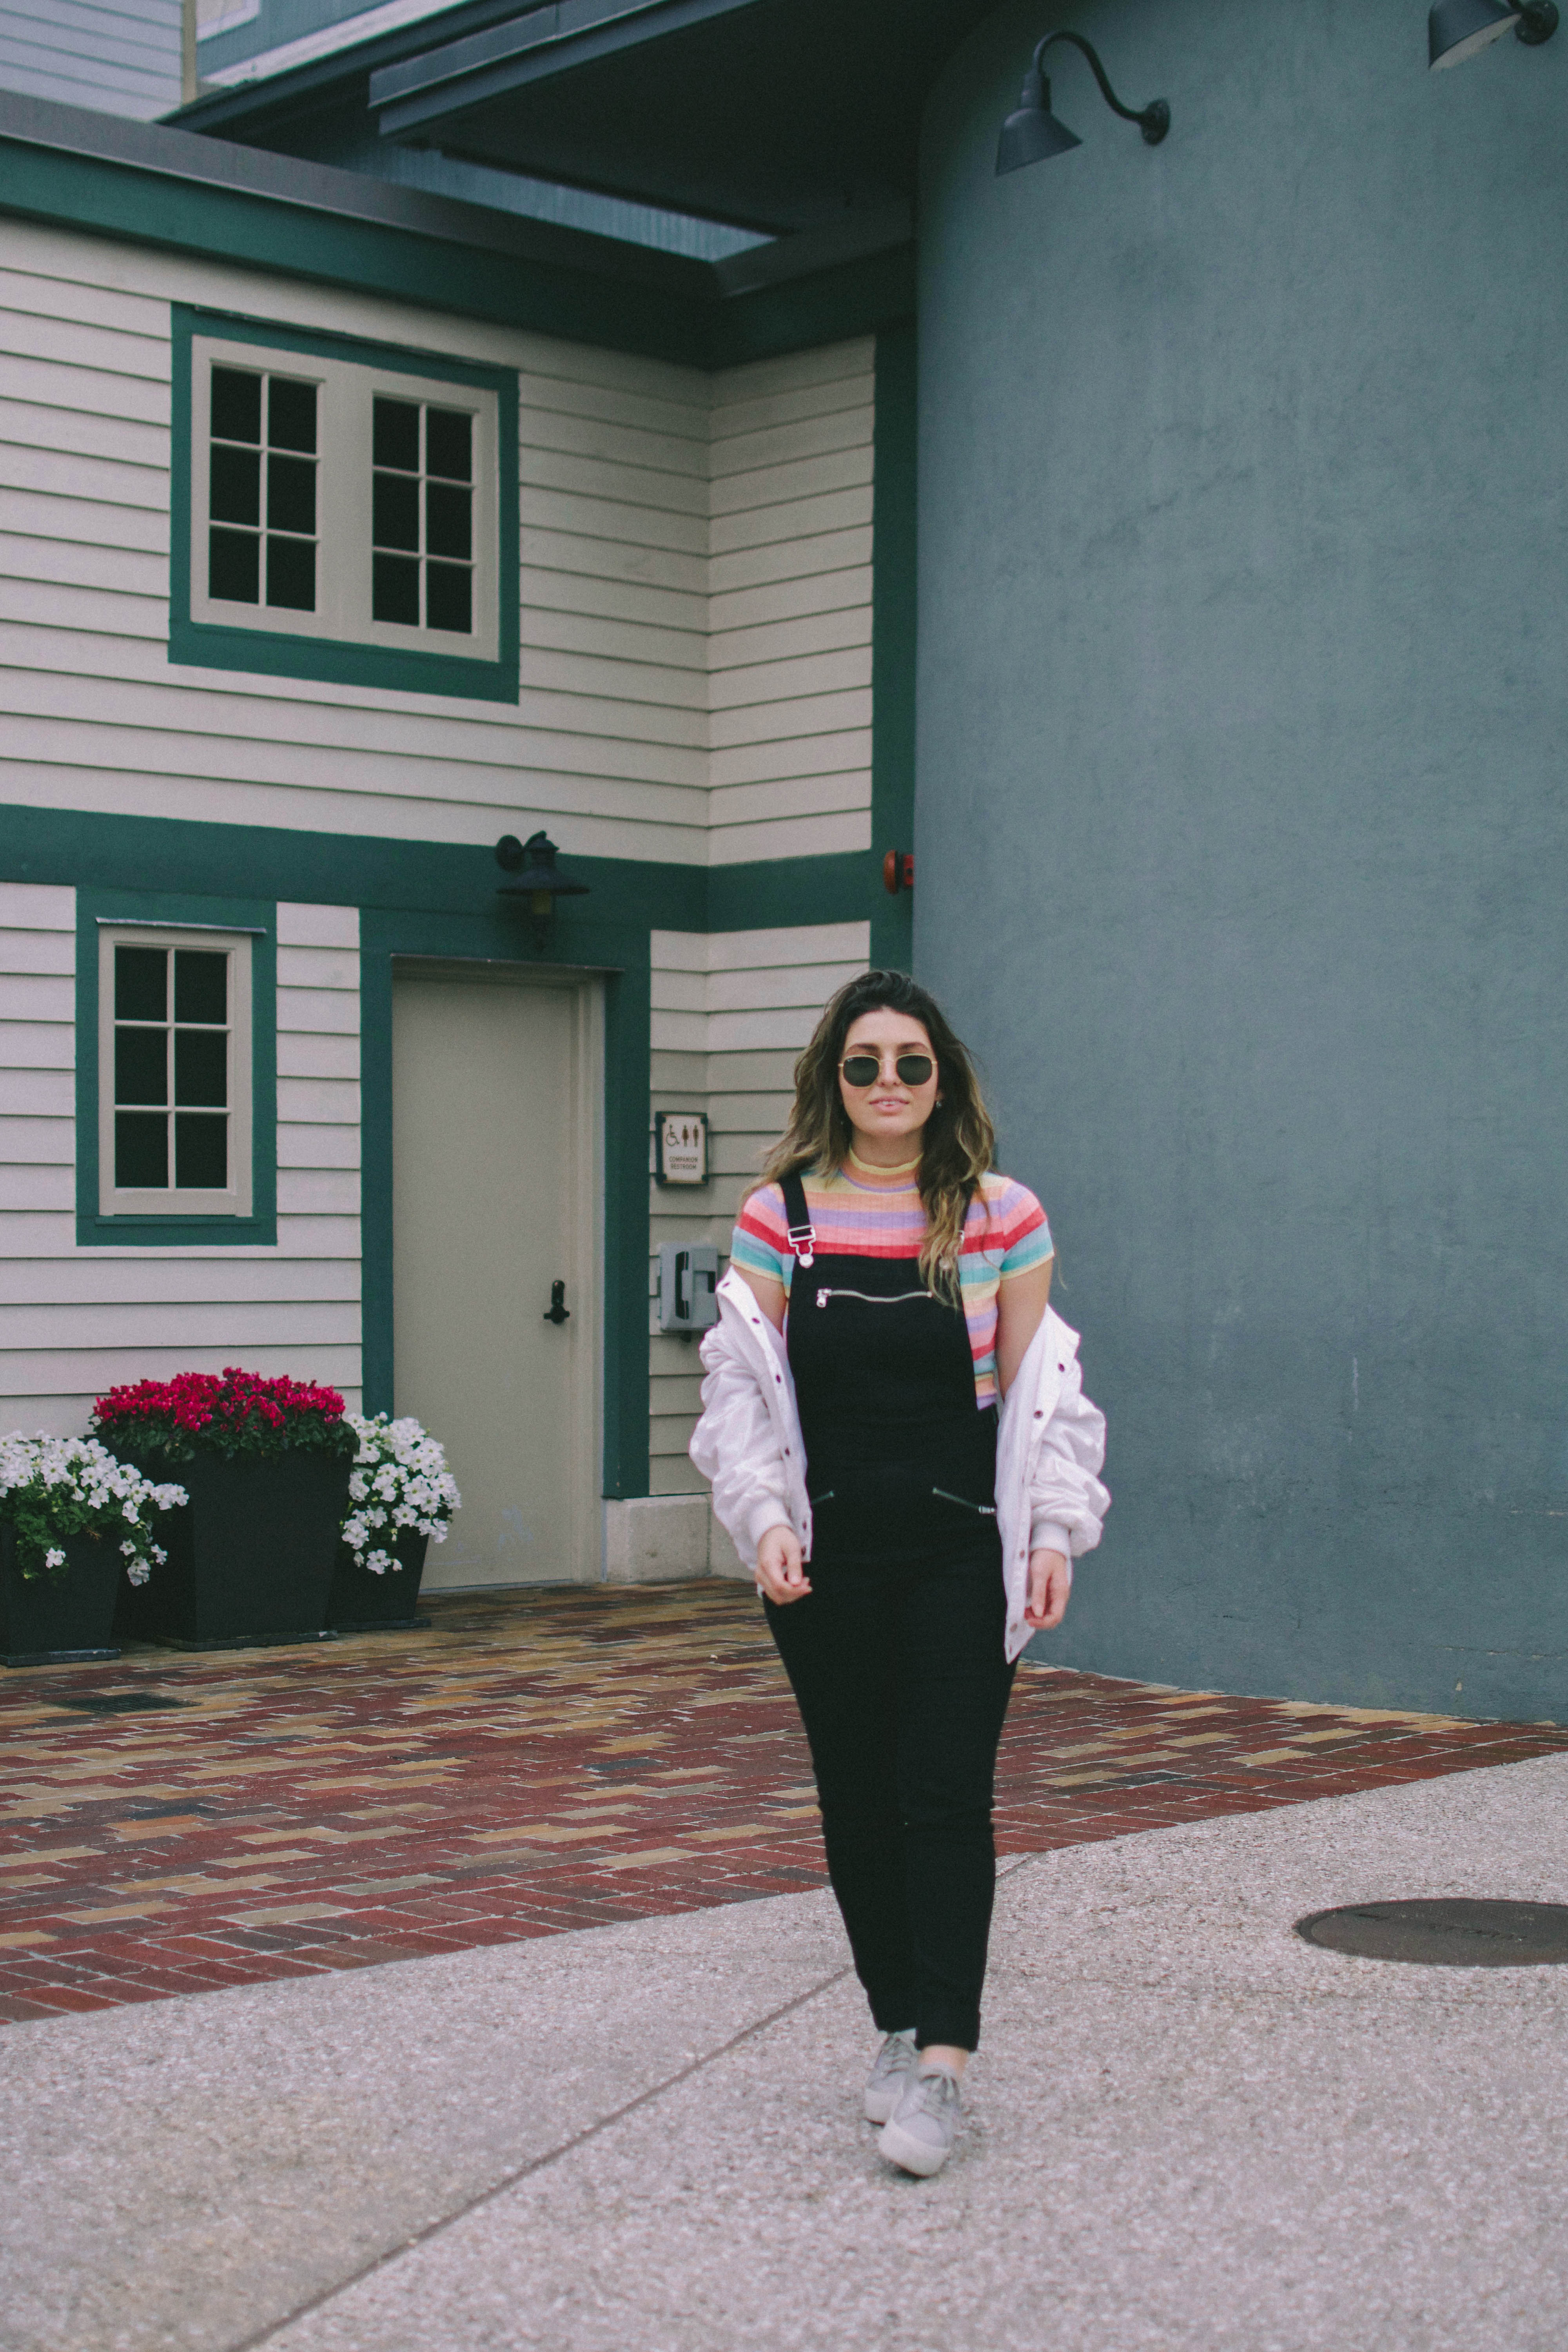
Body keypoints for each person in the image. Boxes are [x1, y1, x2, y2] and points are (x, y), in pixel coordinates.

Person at [690, 970, 1109, 2179]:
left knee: (944, 1794)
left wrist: (1048, 1537)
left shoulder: (997, 1216)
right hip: (825, 1557)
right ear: (834, 1075)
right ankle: (891, 2022)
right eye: (864, 1062)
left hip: (956, 1551)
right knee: (858, 1801)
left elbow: (1048, 1403)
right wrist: (762, 1517)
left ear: (943, 1080)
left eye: (911, 1063)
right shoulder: (782, 1219)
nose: (887, 1083)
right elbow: (739, 1396)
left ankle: (944, 2067)